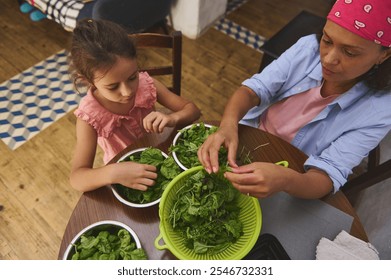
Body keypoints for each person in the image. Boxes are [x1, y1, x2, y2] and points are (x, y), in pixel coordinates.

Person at [198, 0, 391, 199]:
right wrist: (229, 125)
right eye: (327, 40)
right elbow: (253, 91)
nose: (327, 59)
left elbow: (328, 174)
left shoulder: (380, 110)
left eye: (349, 52)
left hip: (293, 172)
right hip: (251, 134)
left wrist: (285, 180)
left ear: (384, 55)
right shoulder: (308, 49)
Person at [69, 19, 201, 192]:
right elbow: (77, 178)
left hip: (160, 151)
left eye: (132, 77)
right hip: (122, 171)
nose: (127, 92)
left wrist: (171, 118)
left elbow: (193, 111)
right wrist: (112, 173)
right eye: (113, 86)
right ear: (87, 81)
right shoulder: (89, 117)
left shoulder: (147, 84)